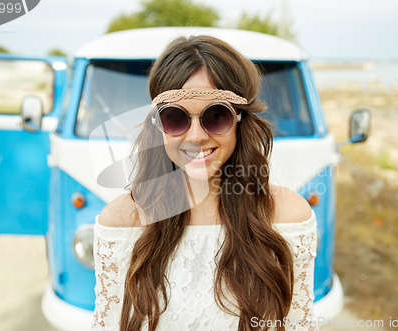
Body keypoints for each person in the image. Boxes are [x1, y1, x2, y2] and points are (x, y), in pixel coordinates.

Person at [91, 34, 319, 331]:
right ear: (159, 126)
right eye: (175, 118)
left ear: (240, 120)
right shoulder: (121, 222)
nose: (196, 135)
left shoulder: (288, 217)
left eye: (216, 115)